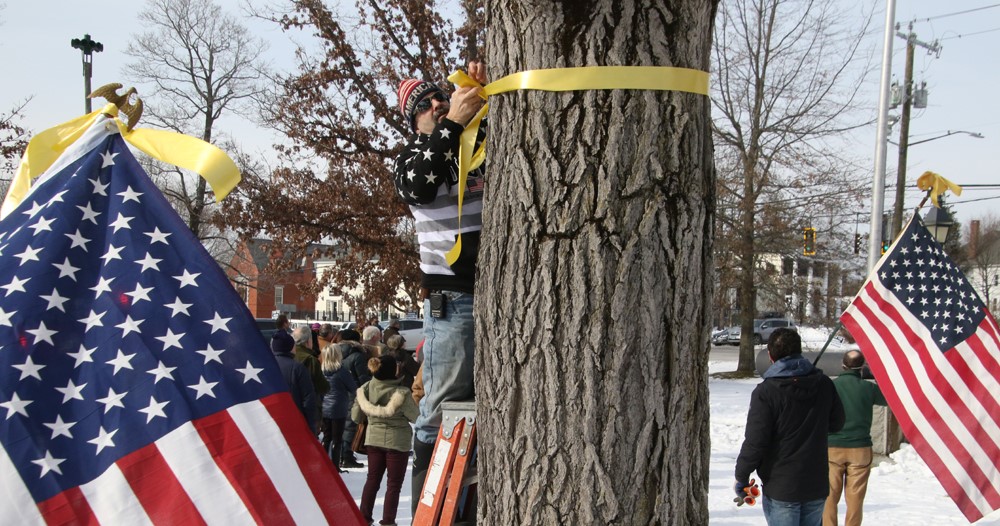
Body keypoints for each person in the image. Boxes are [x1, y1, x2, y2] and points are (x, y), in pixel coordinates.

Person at [393, 60, 487, 508]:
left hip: (498, 292)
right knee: (440, 408)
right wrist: (451, 122)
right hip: (453, 298)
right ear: (415, 121)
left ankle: (467, 504)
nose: (438, 105)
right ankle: (426, 507)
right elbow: (421, 187)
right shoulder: (413, 156)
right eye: (426, 106)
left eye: (441, 98)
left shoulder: (472, 142)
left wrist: (483, 92)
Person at [735, 328, 845, 526]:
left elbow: (756, 441)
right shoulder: (823, 384)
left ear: (770, 356)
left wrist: (741, 475)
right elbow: (837, 423)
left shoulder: (767, 392)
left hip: (786, 486)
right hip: (807, 483)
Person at [352, 355, 419, 526]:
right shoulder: (401, 393)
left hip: (373, 440)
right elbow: (415, 417)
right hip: (397, 442)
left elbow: (355, 416)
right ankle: (388, 521)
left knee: (372, 479)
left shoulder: (365, 389)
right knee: (394, 484)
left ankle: (364, 518)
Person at [823, 351, 887, 526]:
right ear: (862, 366)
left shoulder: (830, 387)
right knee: (855, 498)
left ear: (843, 365)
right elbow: (889, 398)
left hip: (832, 448)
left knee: (829, 496)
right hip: (860, 448)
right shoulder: (868, 388)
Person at [320, 343, 357, 473]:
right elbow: (353, 388)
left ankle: (323, 463)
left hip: (324, 407)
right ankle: (335, 466)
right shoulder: (342, 372)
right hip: (338, 407)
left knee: (326, 437)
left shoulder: (321, 370)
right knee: (337, 439)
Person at [270, 331, 316, 430]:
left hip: (270, 421)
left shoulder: (264, 367)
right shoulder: (297, 368)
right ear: (291, 347)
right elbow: (308, 399)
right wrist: (310, 425)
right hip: (293, 421)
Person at [341, 341, 373, 469]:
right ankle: (346, 456)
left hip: (343, 392)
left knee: (345, 425)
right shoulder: (358, 357)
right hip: (354, 394)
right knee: (350, 425)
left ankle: (343, 454)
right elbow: (363, 377)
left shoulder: (341, 355)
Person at [292, 325, 329, 432]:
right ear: (308, 341)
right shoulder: (310, 359)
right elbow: (322, 386)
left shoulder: (289, 356)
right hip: (309, 409)